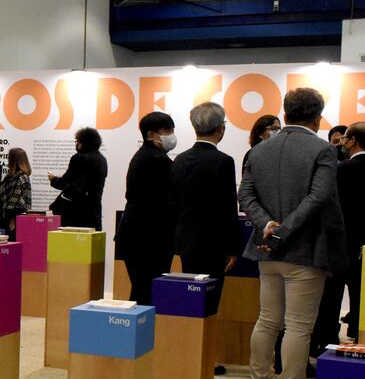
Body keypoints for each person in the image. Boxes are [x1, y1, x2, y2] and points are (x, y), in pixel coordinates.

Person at [238, 88, 346, 379]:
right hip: (306, 249)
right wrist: (286, 227)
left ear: (285, 113)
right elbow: (319, 197)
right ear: (318, 117)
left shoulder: (260, 150)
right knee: (298, 325)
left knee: (268, 319)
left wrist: (268, 224)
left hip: (267, 248)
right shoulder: (324, 150)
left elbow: (246, 194)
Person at [314, 122, 365, 347]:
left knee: (331, 296)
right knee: (361, 294)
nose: (342, 143)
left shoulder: (342, 170)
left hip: (338, 240)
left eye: (345, 139)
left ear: (353, 140)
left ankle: (326, 338)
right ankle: (363, 337)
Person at [171, 102, 238, 313]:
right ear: (221, 128)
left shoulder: (179, 160)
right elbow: (227, 207)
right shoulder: (224, 161)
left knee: (190, 297)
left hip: (185, 239)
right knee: (210, 300)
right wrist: (232, 248)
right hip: (213, 242)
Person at [115, 112, 177, 306]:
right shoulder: (157, 160)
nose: (172, 135)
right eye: (167, 130)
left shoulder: (147, 156)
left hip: (138, 236)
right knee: (146, 292)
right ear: (151, 134)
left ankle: (135, 334)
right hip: (147, 238)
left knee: (142, 290)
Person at [48, 127, 107, 230]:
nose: (76, 144)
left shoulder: (78, 158)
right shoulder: (102, 159)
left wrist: (53, 179)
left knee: (72, 243)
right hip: (94, 210)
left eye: (77, 141)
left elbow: (64, 182)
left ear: (83, 142)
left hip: (75, 211)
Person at [0, 148, 32, 239]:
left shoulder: (21, 176)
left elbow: (16, 200)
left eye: (9, 158)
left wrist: (12, 219)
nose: (8, 160)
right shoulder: (10, 176)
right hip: (5, 218)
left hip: (14, 221)